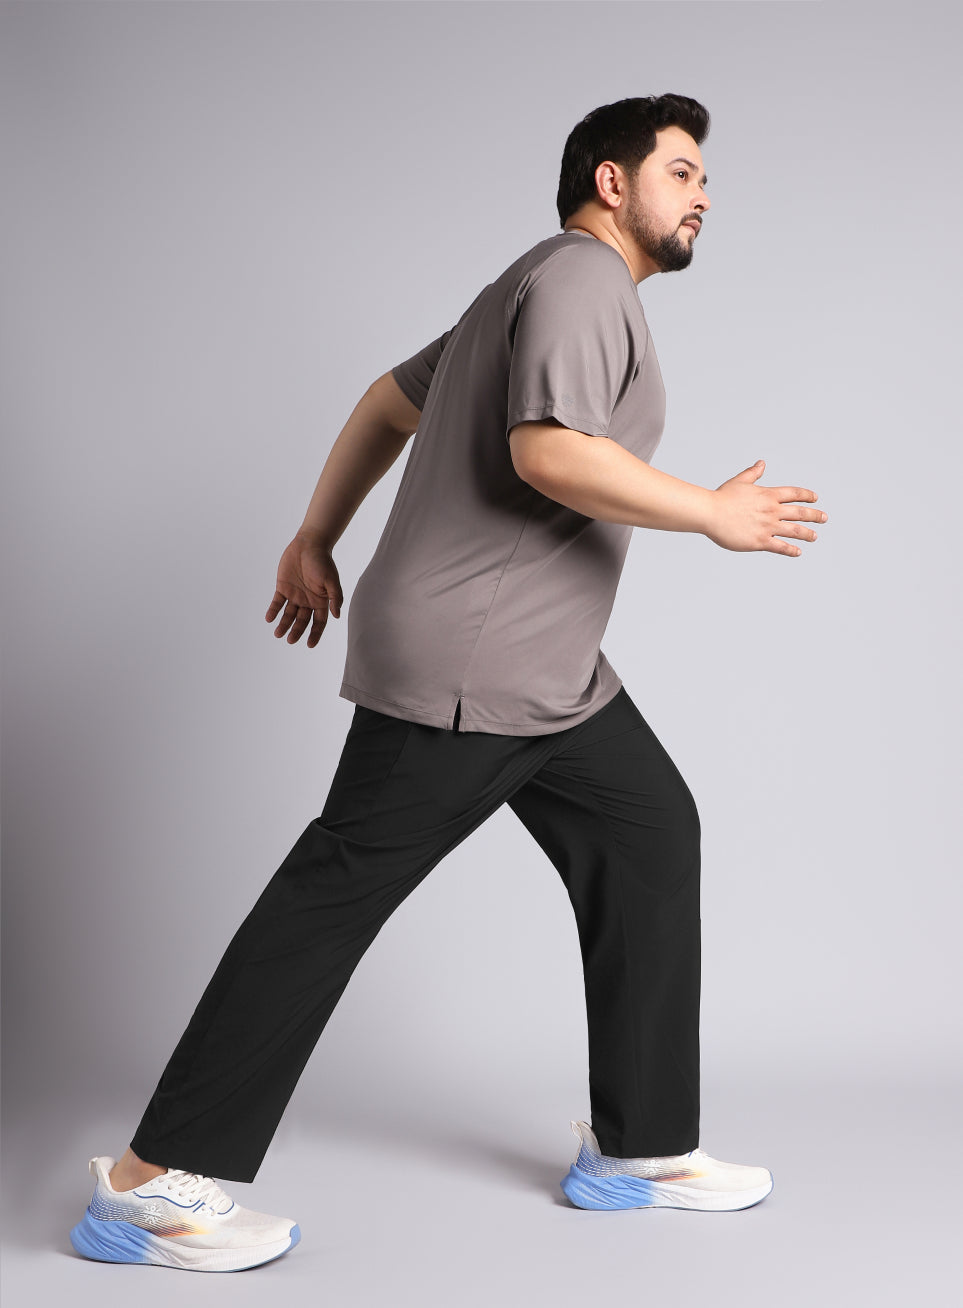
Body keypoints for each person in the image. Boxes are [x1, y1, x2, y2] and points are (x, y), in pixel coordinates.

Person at [69, 93, 826, 1272]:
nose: (705, 195)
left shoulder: (520, 286)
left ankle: (639, 1149)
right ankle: (148, 1186)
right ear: (612, 182)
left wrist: (315, 536)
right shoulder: (581, 278)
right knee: (332, 894)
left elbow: (389, 401)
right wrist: (709, 515)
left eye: (705, 177)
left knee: (648, 830)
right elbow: (548, 450)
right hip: (476, 660)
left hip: (547, 671)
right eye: (683, 172)